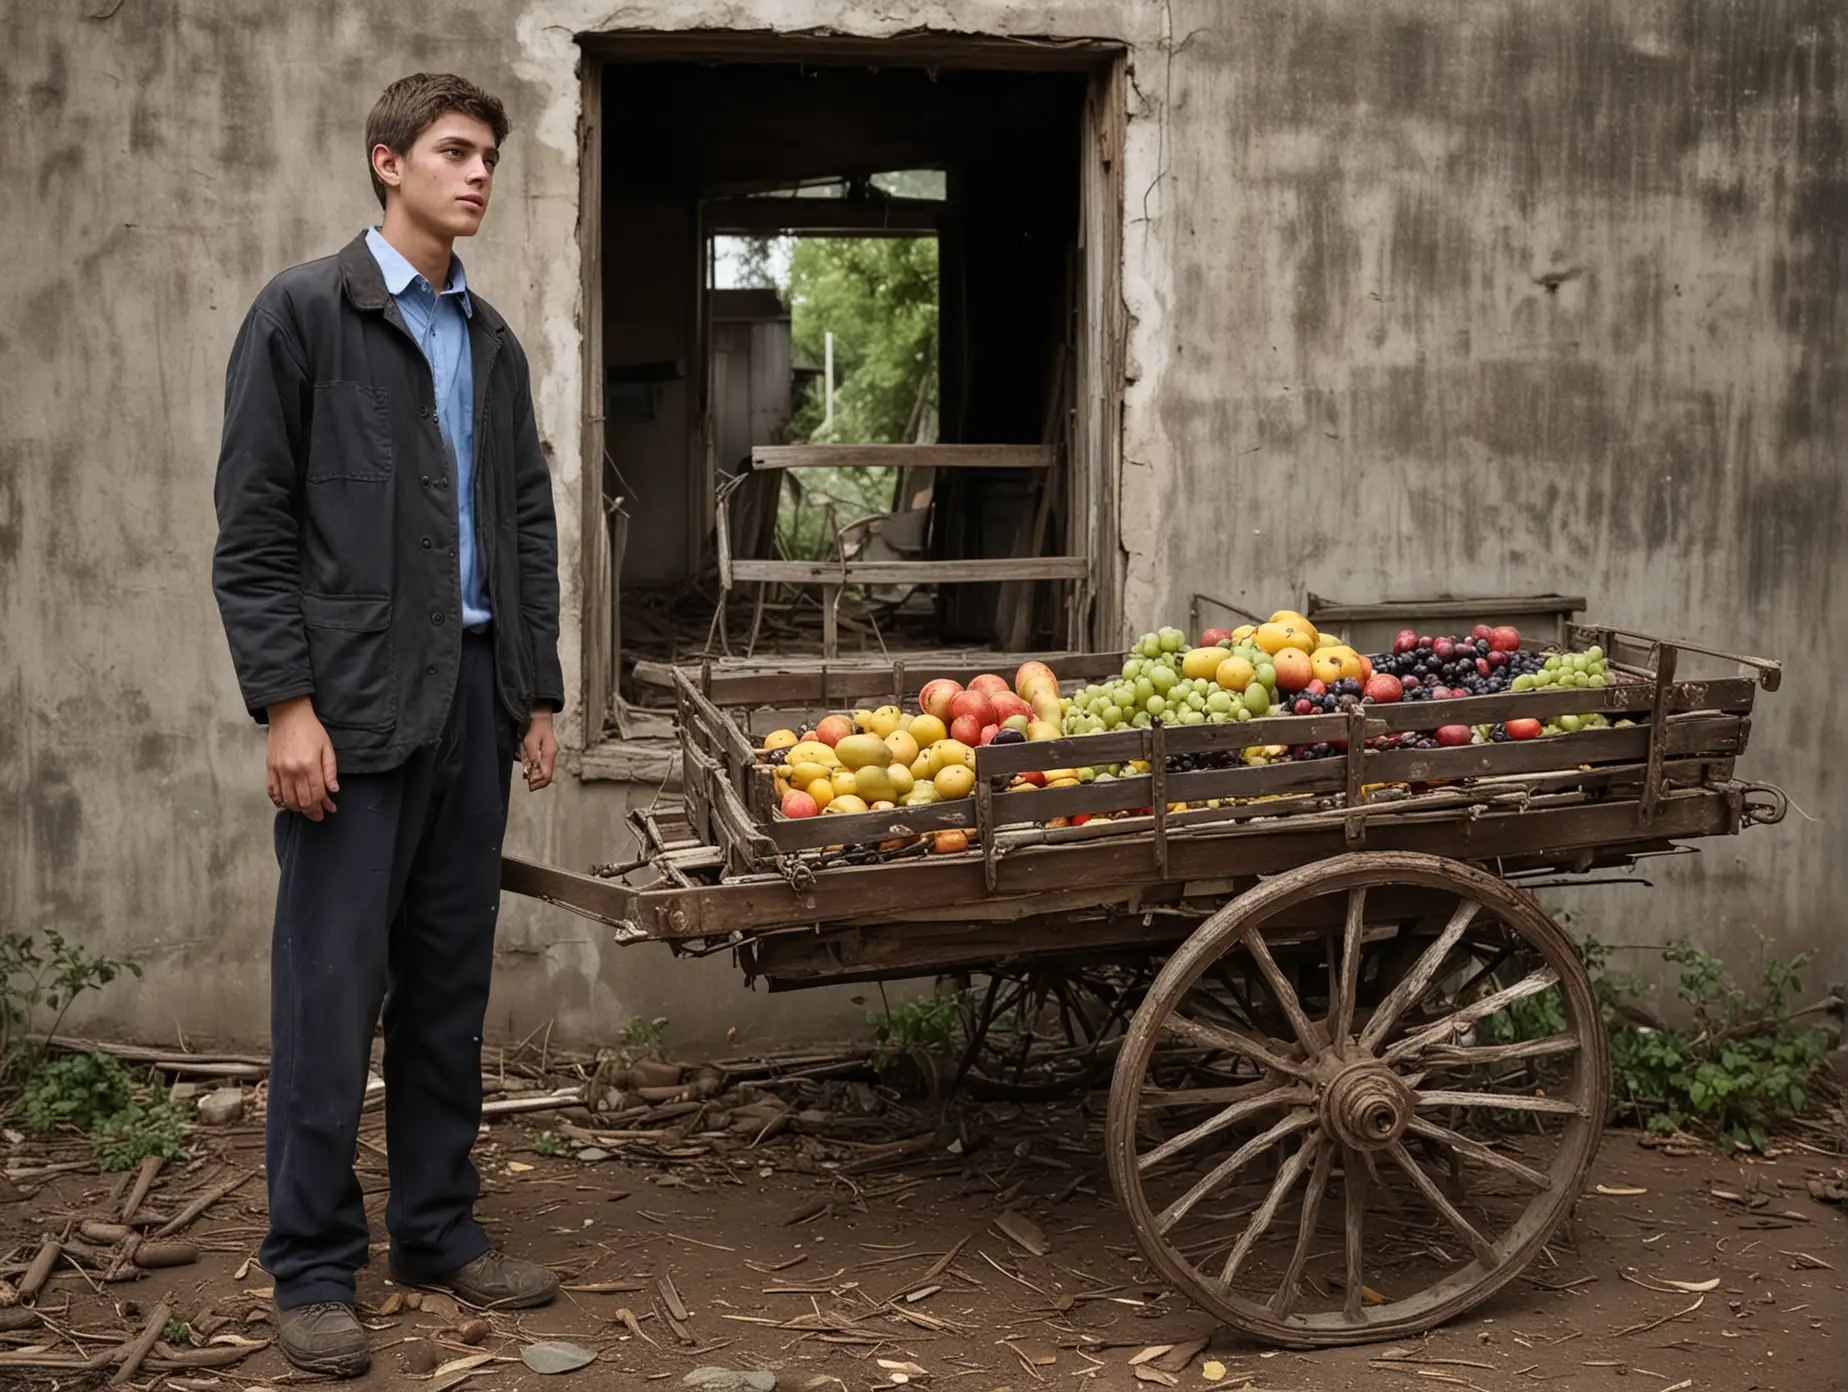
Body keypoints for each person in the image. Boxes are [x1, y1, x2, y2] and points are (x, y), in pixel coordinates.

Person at [211, 73, 563, 1378]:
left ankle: (436, 1229)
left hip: (475, 697)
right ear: (387, 164)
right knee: (329, 988)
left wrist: (535, 689)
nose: (477, 174)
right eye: (453, 152)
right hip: (350, 709)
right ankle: (310, 1267)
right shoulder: (307, 315)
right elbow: (253, 537)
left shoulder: (492, 339)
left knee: (447, 983)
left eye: (487, 156)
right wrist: (287, 705)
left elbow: (525, 522)